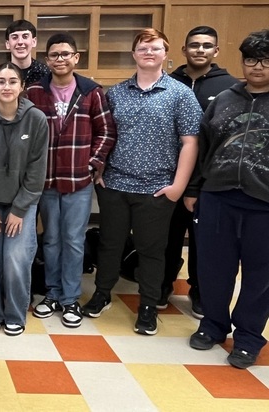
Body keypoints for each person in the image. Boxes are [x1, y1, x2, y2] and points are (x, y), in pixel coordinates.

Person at [81, 28, 202, 336]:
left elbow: (190, 142)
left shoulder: (180, 94)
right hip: (115, 185)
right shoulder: (116, 93)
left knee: (151, 250)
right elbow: (103, 135)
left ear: (166, 54)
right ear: (134, 55)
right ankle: (102, 293)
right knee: (110, 244)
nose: (149, 52)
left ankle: (148, 306)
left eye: (156, 48)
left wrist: (178, 186)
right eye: (143, 48)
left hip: (158, 189)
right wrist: (100, 170)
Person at [186, 29, 269, 369]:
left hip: (263, 203)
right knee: (213, 269)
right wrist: (194, 189)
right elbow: (201, 146)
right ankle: (213, 326)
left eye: (265, 61)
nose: (257, 67)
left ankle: (248, 338)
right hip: (217, 196)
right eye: (251, 60)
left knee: (260, 275)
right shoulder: (224, 99)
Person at [26, 33, 116, 328]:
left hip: (79, 181)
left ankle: (70, 298)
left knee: (74, 240)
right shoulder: (35, 92)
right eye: (54, 55)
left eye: (66, 54)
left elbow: (106, 132)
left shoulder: (92, 92)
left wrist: (93, 164)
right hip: (47, 181)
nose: (60, 59)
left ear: (76, 58)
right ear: (47, 59)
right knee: (51, 239)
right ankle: (51, 294)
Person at [163, 26, 239, 318]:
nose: (200, 50)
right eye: (194, 45)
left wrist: (196, 186)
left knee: (203, 242)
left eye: (207, 46)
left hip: (208, 182)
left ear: (216, 51)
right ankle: (163, 284)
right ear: (184, 50)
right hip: (168, 178)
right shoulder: (169, 83)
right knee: (167, 237)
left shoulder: (229, 89)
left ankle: (198, 292)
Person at [0, 62, 48, 335]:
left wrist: (20, 209)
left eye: (13, 81)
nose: (7, 87)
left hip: (21, 206)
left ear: (22, 87)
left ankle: (15, 313)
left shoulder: (36, 119)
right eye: (1, 81)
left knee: (16, 259)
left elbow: (37, 171)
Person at [0, 20, 51, 104]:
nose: (20, 42)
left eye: (25, 37)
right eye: (15, 37)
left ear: (34, 41)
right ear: (7, 44)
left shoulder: (46, 73)